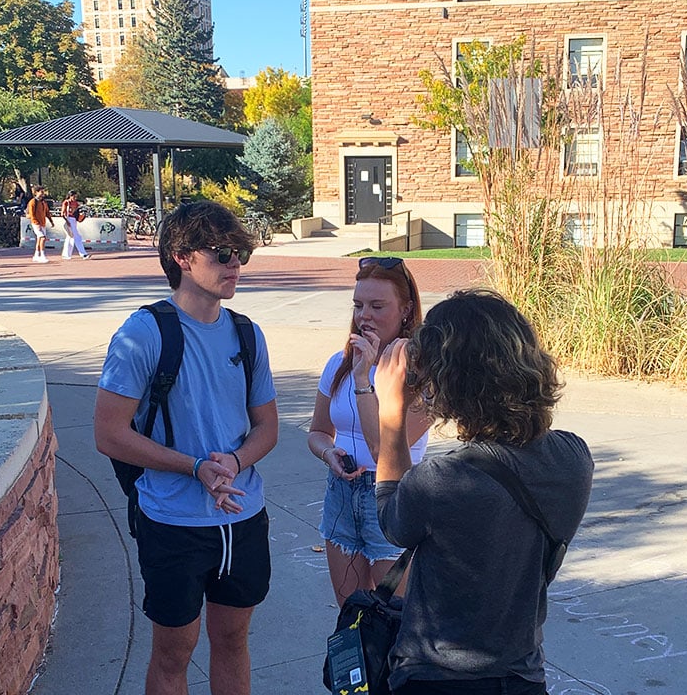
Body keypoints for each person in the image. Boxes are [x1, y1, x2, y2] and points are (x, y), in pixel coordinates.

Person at [94, 201, 278, 695]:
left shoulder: (247, 333)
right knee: (175, 652)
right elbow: (108, 433)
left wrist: (235, 461)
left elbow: (267, 428)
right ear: (181, 256)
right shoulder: (143, 334)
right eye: (221, 253)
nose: (234, 263)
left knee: (234, 641)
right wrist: (194, 467)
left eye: (239, 252)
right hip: (173, 522)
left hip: (242, 517)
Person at [374, 289, 594, 695]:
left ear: (450, 383)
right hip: (522, 676)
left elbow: (393, 520)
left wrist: (392, 415)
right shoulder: (574, 458)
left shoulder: (444, 479)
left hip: (435, 677)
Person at [307, 257, 430, 607]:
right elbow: (317, 431)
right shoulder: (338, 364)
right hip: (342, 497)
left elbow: (383, 450)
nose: (365, 316)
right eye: (359, 305)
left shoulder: (422, 376)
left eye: (378, 306)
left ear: (406, 310)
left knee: (395, 625)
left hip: (393, 499)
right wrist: (328, 452)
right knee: (352, 621)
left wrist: (365, 380)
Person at [27, 186, 55, 263]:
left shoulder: (43, 202)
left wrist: (51, 221)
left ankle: (36, 255)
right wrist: (36, 223)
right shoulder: (32, 202)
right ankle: (42, 255)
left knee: (40, 239)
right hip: (36, 223)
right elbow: (32, 214)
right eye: (41, 192)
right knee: (42, 238)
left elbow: (47, 213)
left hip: (42, 223)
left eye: (43, 192)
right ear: (36, 192)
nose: (43, 194)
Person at [60, 190, 90, 259]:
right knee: (77, 237)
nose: (75, 197)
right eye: (73, 196)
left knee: (70, 237)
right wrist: (67, 221)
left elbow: (77, 212)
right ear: (70, 196)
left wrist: (82, 215)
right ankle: (83, 254)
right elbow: (62, 213)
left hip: (74, 220)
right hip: (69, 219)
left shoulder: (76, 203)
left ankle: (66, 254)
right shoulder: (66, 202)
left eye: (75, 196)